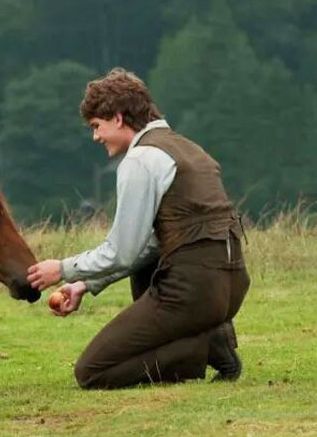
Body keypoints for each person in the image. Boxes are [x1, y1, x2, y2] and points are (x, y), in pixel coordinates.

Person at [26, 67, 250, 389]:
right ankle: (210, 335)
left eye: (96, 126)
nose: (95, 136)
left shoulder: (141, 159)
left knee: (91, 372)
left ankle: (205, 347)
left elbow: (122, 251)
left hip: (192, 293)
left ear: (118, 118)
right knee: (143, 269)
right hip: (229, 288)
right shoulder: (187, 148)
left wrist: (62, 270)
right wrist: (85, 285)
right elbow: (151, 246)